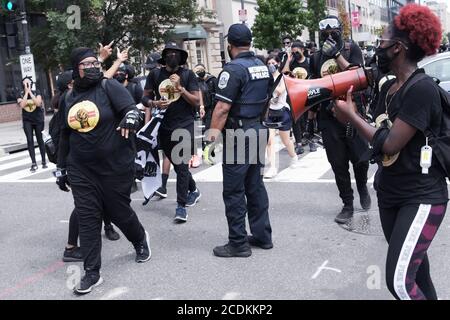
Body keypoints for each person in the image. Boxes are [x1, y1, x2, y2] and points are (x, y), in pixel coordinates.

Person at [334, 4, 448, 300]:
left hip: (421, 196)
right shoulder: (389, 88)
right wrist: (349, 114)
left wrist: (353, 117)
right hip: (391, 193)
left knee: (399, 282)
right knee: (417, 275)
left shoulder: (421, 89)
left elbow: (389, 143)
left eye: (382, 42)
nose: (377, 48)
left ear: (397, 48)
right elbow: (374, 138)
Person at [56, 47, 151, 294]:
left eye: (94, 62)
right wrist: (61, 167)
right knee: (88, 218)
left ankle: (140, 239)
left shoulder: (109, 87)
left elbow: (132, 110)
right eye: (85, 64)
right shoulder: (69, 98)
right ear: (75, 69)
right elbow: (65, 135)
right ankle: (92, 272)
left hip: (114, 166)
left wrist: (131, 118)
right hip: (81, 168)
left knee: (118, 212)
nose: (92, 67)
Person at [209, 23, 273, 257]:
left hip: (239, 134)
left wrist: (211, 140)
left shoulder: (232, 70)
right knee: (255, 186)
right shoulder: (262, 66)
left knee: (234, 191)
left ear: (230, 45)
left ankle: (238, 243)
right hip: (257, 128)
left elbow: (222, 108)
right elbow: (267, 99)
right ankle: (262, 236)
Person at [309, 15, 371, 224]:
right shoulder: (316, 57)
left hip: (353, 111)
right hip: (329, 115)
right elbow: (312, 86)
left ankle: (362, 186)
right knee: (338, 163)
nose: (328, 37)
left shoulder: (351, 49)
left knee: (360, 158)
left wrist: (336, 55)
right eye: (324, 34)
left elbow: (358, 76)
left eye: (332, 33)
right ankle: (347, 204)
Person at [142, 42, 201, 222]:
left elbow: (196, 101)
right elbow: (144, 98)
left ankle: (181, 206)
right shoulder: (155, 74)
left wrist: (181, 88)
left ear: (181, 57)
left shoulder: (188, 75)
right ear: (165, 56)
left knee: (182, 164)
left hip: (184, 123)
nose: (173, 55)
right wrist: (154, 104)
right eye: (170, 53)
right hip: (164, 125)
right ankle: (194, 190)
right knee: (176, 163)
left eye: (176, 53)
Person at [264, 55, 298, 179]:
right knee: (269, 141)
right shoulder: (265, 79)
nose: (271, 65)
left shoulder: (284, 78)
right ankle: (272, 168)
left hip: (283, 112)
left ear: (278, 63)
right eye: (268, 63)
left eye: (273, 63)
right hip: (270, 113)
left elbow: (279, 91)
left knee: (286, 141)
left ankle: (293, 156)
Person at [289, 40, 317, 154]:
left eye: (297, 52)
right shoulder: (292, 63)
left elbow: (315, 76)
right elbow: (285, 72)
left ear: (303, 50)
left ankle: (311, 140)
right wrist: (289, 59)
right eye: (293, 52)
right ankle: (299, 143)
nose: (295, 54)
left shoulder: (310, 61)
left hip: (308, 93)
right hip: (295, 95)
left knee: (308, 119)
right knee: (296, 119)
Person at [17, 77, 46, 172]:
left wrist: (30, 92)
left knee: (40, 139)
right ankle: (33, 163)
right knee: (29, 140)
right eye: (25, 83)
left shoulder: (37, 92)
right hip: (27, 120)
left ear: (32, 83)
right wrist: (26, 92)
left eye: (28, 83)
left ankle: (43, 161)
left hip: (38, 119)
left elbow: (38, 103)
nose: (27, 84)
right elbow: (22, 105)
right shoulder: (20, 94)